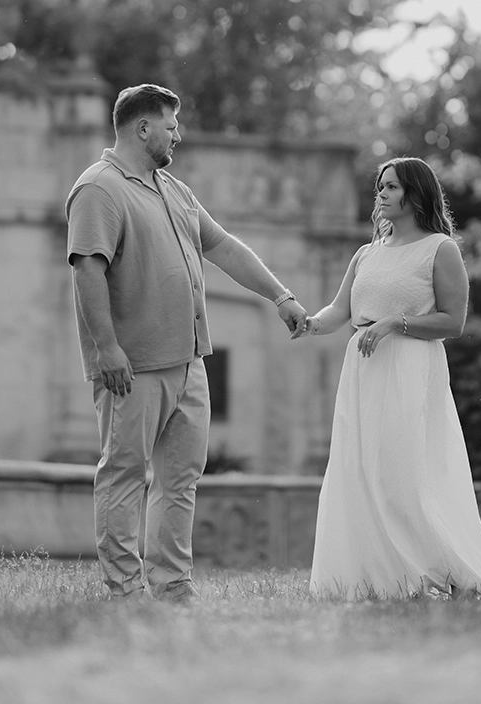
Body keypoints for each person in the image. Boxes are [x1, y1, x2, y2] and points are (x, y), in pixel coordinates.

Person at [67, 84, 305, 603]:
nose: (178, 135)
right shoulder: (99, 189)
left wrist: (280, 295)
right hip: (132, 364)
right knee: (124, 474)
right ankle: (124, 591)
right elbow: (87, 269)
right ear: (143, 128)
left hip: (189, 361)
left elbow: (223, 247)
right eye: (171, 126)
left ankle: (172, 585)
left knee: (180, 480)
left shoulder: (173, 189)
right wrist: (107, 348)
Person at [299, 157, 481, 601]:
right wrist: (309, 323)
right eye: (380, 186)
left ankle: (438, 575)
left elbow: (453, 322)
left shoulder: (440, 249)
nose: (381, 194)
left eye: (392, 186)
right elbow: (340, 311)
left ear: (416, 194)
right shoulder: (366, 254)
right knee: (362, 471)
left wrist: (395, 322)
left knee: (405, 475)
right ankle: (377, 577)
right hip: (364, 370)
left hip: (410, 369)